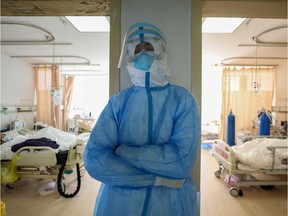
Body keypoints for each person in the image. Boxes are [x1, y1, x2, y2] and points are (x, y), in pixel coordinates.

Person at [84, 23, 200, 216]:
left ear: (161, 51)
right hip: (119, 206)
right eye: (138, 49)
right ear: (129, 54)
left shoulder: (183, 99)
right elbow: (95, 159)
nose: (144, 54)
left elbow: (181, 161)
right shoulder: (119, 102)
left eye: (149, 48)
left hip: (171, 206)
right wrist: (157, 179)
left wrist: (122, 151)